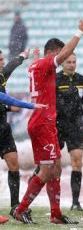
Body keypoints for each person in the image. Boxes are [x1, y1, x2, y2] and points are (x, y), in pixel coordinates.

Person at [13, 19, 83, 224]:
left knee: (55, 167)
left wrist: (37, 57)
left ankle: (55, 214)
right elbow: (64, 54)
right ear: (53, 52)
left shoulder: (37, 66)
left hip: (45, 122)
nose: (61, 59)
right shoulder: (47, 62)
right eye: (58, 54)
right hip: (42, 123)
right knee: (47, 170)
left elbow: (36, 68)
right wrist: (80, 32)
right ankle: (21, 209)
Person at [55, 53, 83, 211]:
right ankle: (52, 199)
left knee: (77, 161)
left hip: (76, 126)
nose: (72, 65)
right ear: (62, 63)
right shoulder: (55, 79)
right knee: (52, 164)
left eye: (74, 62)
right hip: (58, 125)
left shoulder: (81, 79)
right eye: (68, 62)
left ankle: (76, 202)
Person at [0, 49, 30, 215]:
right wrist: (9, 107)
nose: (3, 62)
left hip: (3, 129)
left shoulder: (2, 76)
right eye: (0, 60)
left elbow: (10, 67)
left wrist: (22, 56)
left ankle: (14, 206)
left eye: (2, 59)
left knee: (13, 162)